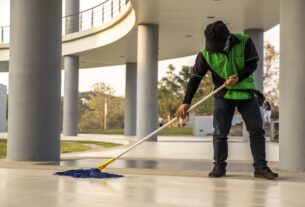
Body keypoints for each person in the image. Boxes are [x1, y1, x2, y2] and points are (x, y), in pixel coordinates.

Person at [176, 21, 278, 179]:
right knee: (219, 132)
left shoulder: (245, 41)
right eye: (212, 45)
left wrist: (238, 77)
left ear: (228, 37)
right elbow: (195, 78)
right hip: (223, 95)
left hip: (246, 93)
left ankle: (260, 167)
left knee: (256, 131)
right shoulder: (205, 54)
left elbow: (252, 65)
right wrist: (186, 101)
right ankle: (219, 167)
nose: (214, 49)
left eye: (218, 45)